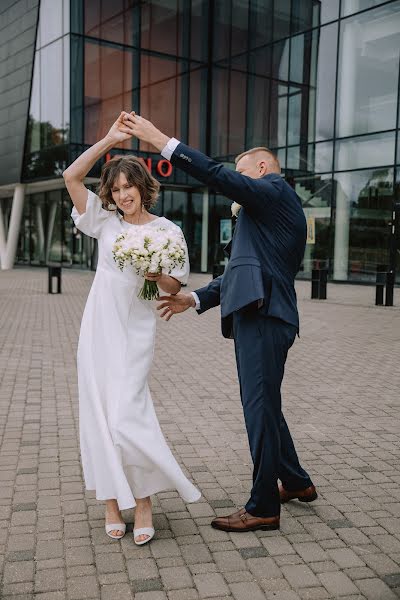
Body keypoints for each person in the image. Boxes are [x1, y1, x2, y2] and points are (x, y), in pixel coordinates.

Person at [121, 111, 317, 532]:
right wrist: (192, 298)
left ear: (261, 169)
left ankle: (263, 506)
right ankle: (297, 482)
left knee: (259, 411)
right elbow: (240, 273)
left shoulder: (274, 192)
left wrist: (160, 140)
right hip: (260, 313)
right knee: (267, 408)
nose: (238, 181)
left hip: (264, 316)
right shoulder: (267, 212)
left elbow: (216, 176)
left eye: (242, 172)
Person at [63, 113, 200, 545]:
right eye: (116, 189)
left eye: (129, 187)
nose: (123, 195)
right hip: (99, 329)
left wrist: (155, 272)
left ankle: (143, 500)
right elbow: (71, 175)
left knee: (127, 415)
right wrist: (108, 139)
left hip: (138, 332)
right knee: (99, 415)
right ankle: (110, 501)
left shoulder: (168, 231)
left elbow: (175, 284)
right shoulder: (104, 222)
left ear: (144, 186)